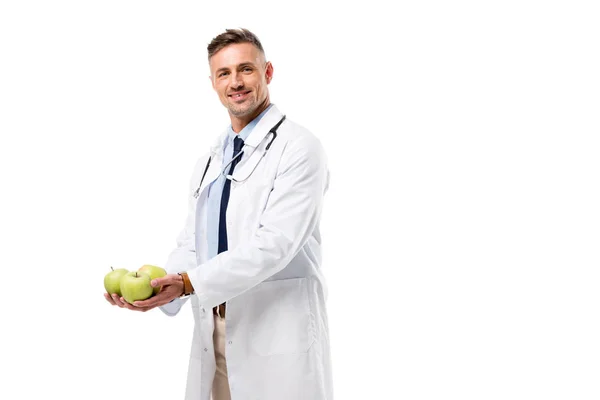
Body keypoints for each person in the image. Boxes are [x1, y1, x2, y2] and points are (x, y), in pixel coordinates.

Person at [103, 28, 333, 400]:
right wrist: (161, 288)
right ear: (212, 82)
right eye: (224, 73)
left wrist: (189, 283)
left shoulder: (300, 148)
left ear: (268, 72)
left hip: (276, 333)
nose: (236, 82)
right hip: (215, 327)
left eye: (246, 69)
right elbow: (194, 242)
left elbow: (274, 245)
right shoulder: (213, 157)